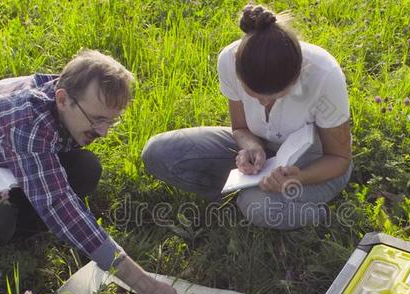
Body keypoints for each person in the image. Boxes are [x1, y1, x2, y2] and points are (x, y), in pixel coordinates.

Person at [0, 50, 197, 294]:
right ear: (62, 100)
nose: (104, 131)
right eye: (97, 119)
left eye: (111, 120)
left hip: (6, 172)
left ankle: (26, 217)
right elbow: (60, 203)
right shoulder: (27, 122)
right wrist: (147, 286)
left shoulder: (66, 99)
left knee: (86, 168)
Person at [142, 4, 352, 230]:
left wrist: (297, 178)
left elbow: (339, 158)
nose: (263, 103)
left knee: (258, 207)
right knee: (159, 152)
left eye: (277, 95)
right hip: (267, 159)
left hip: (316, 163)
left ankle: (313, 212)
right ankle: (248, 193)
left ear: (296, 76)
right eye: (254, 94)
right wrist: (251, 147)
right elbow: (240, 128)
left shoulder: (324, 75)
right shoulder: (229, 61)